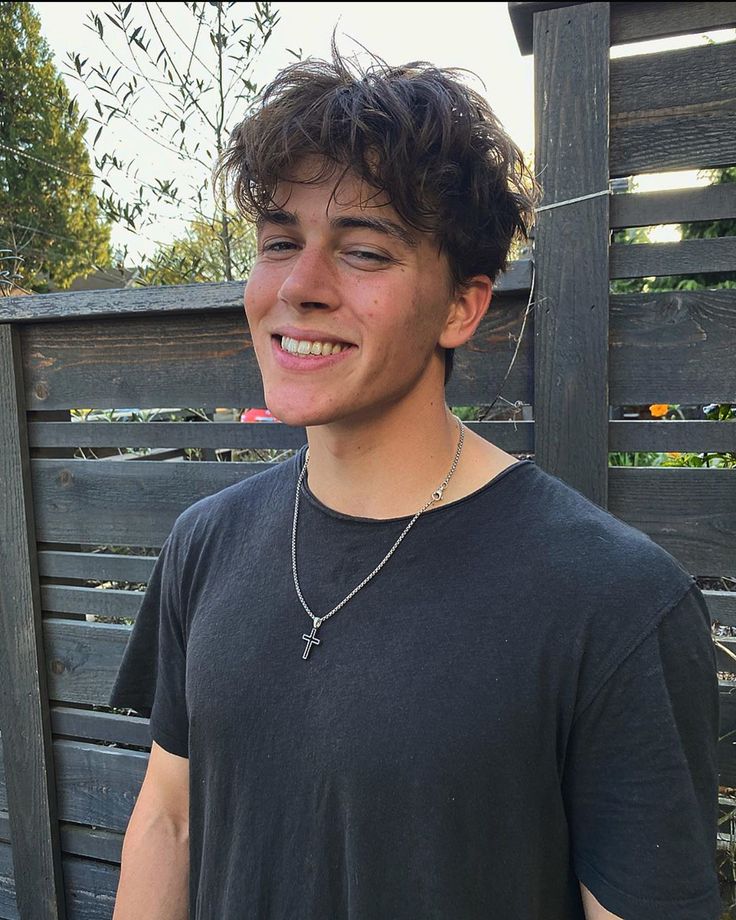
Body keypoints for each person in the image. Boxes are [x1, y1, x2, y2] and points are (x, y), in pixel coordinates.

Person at [109, 42, 720, 920]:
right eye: (280, 241)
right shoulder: (206, 543)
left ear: (464, 306)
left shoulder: (614, 604)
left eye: (363, 252)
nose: (300, 286)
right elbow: (170, 821)